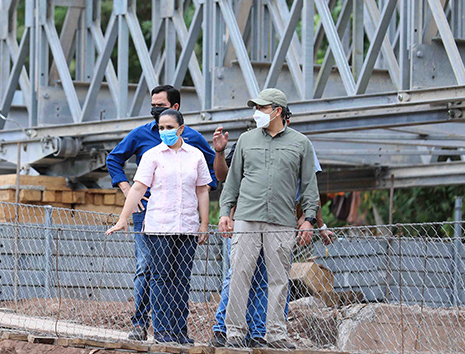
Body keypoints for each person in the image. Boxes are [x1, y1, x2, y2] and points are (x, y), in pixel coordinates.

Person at [106, 85, 217, 341]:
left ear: (176, 111)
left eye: (160, 105)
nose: (155, 110)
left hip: (185, 221)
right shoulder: (144, 141)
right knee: (150, 270)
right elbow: (126, 172)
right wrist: (126, 196)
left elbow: (208, 178)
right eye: (153, 105)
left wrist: (204, 220)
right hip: (150, 216)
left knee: (179, 277)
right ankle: (144, 324)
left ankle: (177, 331)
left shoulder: (195, 146)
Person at [209, 123, 334, 348]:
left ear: (279, 114)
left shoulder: (301, 145)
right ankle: (225, 330)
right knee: (237, 275)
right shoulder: (246, 142)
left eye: (263, 108)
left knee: (272, 279)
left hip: (281, 220)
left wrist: (314, 222)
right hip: (247, 219)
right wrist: (225, 213)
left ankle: (261, 333)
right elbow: (226, 179)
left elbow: (310, 191)